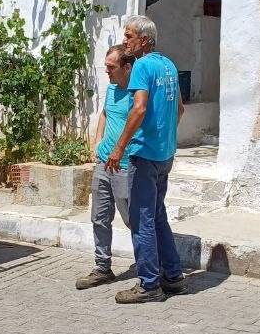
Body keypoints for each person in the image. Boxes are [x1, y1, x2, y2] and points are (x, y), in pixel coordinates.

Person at [105, 15, 186, 303]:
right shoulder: (169, 66)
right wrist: (166, 139)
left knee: (143, 220)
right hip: (165, 155)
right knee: (158, 215)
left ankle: (149, 285)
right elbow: (179, 110)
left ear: (144, 41)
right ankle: (174, 276)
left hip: (144, 155)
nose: (125, 41)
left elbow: (138, 109)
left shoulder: (141, 66)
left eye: (129, 36)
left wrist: (119, 148)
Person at [76, 45, 138, 290]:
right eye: (106, 66)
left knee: (132, 219)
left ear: (127, 67)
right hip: (104, 162)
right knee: (99, 217)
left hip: (125, 165)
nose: (107, 72)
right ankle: (102, 267)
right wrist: (98, 140)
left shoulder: (137, 94)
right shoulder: (112, 89)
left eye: (111, 67)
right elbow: (105, 114)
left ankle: (149, 266)